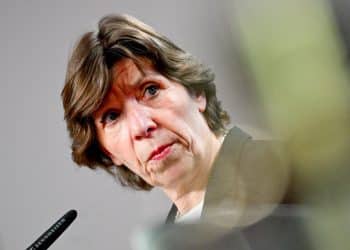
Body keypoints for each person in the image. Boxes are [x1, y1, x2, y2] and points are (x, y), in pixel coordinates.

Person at [61, 14, 292, 230]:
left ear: (195, 91)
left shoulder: (289, 176)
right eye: (112, 116)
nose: (142, 126)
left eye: (151, 90)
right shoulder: (171, 239)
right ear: (108, 152)